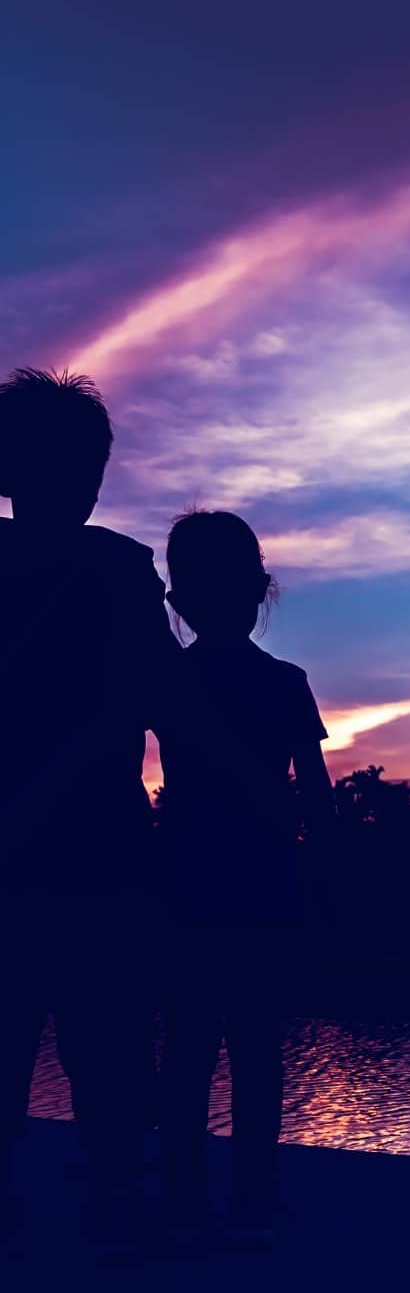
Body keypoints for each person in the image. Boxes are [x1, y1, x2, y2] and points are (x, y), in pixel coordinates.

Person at [0, 368, 177, 1245]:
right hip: (98, 853)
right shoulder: (119, 566)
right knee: (107, 1052)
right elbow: (147, 701)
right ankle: (116, 1213)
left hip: (62, 850)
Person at [153, 509, 334, 1244]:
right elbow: (317, 799)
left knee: (188, 1054)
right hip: (264, 886)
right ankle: (253, 1200)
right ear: (260, 589)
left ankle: (184, 1206)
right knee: (257, 1053)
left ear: (179, 600)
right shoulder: (286, 683)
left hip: (186, 887)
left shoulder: (169, 684)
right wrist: (327, 885)